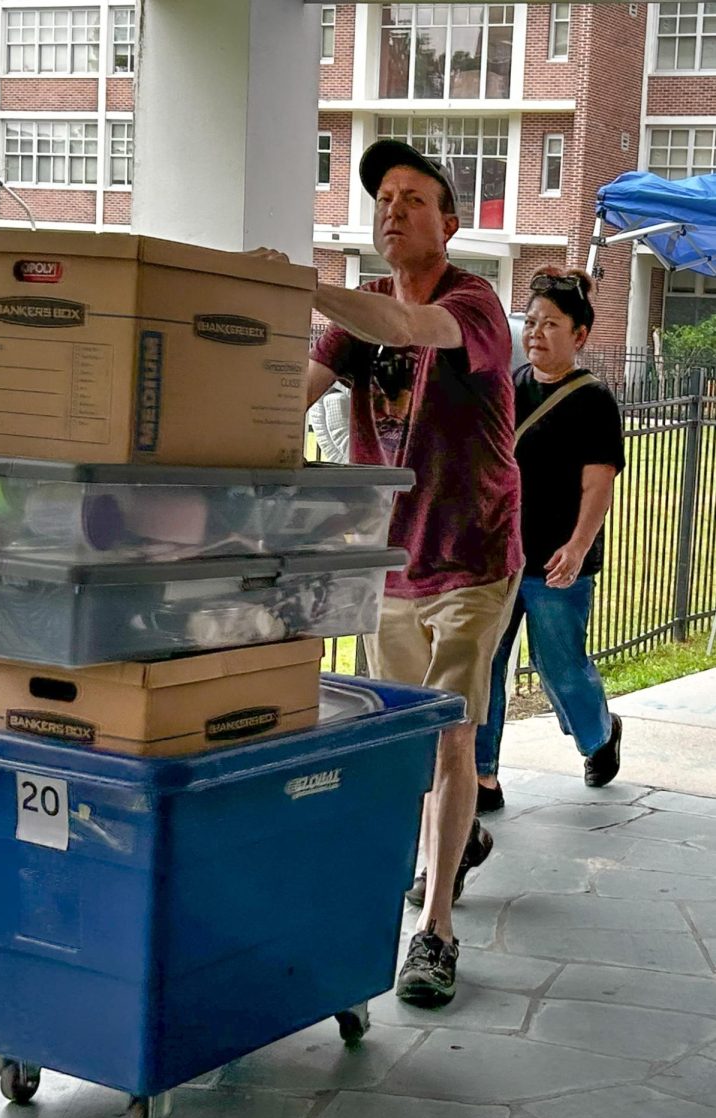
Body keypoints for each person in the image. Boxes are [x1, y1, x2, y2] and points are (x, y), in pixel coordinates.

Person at [306, 139, 523, 1008]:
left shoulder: (475, 305)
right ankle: (448, 841)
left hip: (473, 557)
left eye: (412, 198)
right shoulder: (353, 328)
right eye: (382, 198)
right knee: (402, 748)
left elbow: (402, 326)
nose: (391, 209)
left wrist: (306, 286)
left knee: (451, 737)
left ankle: (435, 932)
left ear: (450, 222)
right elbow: (291, 392)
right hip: (390, 567)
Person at [472, 268, 625, 806]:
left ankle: (599, 734)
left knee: (558, 665)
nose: (535, 332)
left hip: (560, 560)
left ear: (580, 334)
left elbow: (598, 483)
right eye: (531, 322)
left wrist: (580, 546)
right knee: (486, 663)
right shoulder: (509, 388)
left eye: (551, 323)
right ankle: (483, 776)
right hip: (503, 558)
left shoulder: (594, 402)